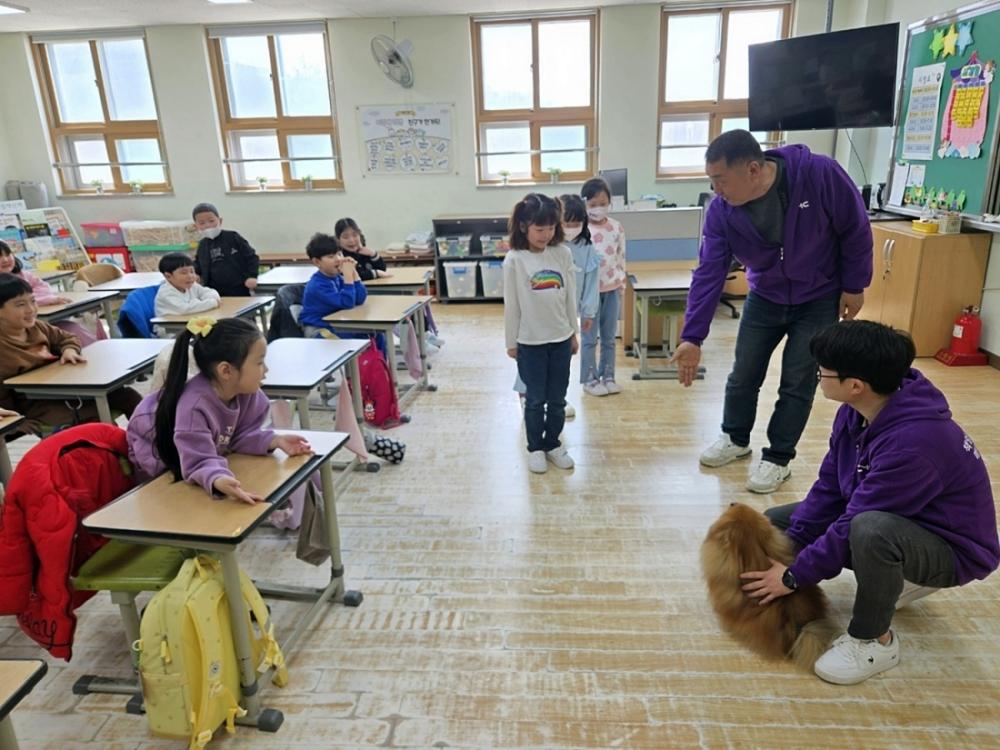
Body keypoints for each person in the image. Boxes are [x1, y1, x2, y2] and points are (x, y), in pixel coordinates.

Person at [740, 321, 998, 685]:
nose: (818, 375)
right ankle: (888, 585)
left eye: (823, 371)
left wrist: (794, 575)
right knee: (779, 522)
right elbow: (830, 487)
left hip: (951, 550)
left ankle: (873, 639)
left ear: (855, 385)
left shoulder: (915, 444)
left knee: (870, 531)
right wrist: (790, 554)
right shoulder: (857, 410)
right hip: (901, 522)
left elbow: (854, 521)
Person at [671, 129, 873, 493]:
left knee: (798, 380)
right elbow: (709, 271)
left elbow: (855, 229)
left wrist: (854, 285)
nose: (716, 189)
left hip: (819, 296)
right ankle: (735, 437)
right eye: (711, 180)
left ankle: (778, 458)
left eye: (720, 179)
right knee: (743, 373)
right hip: (765, 295)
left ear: (752, 170)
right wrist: (692, 335)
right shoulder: (722, 212)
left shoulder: (819, 175)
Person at [127, 317, 311, 504]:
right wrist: (216, 478)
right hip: (157, 455)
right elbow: (197, 458)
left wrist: (274, 440)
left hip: (197, 452)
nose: (266, 370)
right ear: (226, 371)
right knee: (181, 504)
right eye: (259, 363)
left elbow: (240, 436)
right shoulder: (194, 407)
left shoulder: (246, 392)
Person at [0, 273, 140, 434]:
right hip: (36, 405)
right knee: (95, 421)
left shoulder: (37, 327)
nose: (31, 309)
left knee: (129, 396)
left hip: (66, 390)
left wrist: (69, 350)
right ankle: (115, 454)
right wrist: (16, 423)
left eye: (33, 301)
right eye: (20, 305)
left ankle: (158, 444)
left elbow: (66, 338)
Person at [503, 193, 578, 475]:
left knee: (558, 398)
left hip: (560, 339)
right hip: (530, 342)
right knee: (534, 399)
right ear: (523, 226)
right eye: (539, 228)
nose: (546, 234)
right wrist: (511, 342)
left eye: (550, 228)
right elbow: (512, 305)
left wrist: (573, 332)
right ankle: (535, 448)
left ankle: (552, 444)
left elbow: (570, 297)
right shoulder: (515, 259)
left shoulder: (562, 253)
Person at [512, 194, 600, 419]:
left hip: (563, 313)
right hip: (534, 319)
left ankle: (555, 399)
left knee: (557, 367)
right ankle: (527, 396)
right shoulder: (536, 252)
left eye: (576, 224)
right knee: (532, 361)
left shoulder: (575, 250)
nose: (570, 229)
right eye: (566, 224)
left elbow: (587, 283)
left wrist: (586, 313)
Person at [0, 240, 103, 345]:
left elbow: (43, 287)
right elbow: (21, 299)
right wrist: (44, 300)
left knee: (74, 328)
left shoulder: (23, 275)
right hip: (15, 330)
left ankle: (96, 351)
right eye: (0, 256)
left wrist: (43, 299)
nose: (5, 259)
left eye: (8, 254)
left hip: (35, 323)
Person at [581, 177, 626, 396]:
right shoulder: (580, 229)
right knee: (590, 339)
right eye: (592, 204)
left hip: (612, 289)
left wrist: (622, 284)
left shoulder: (616, 227)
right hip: (589, 294)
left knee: (609, 338)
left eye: (602, 202)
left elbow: (621, 257)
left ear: (609, 202)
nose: (598, 208)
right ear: (585, 204)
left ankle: (608, 376)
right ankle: (590, 380)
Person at [192, 202, 260, 297]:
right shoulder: (202, 245)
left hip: (240, 287)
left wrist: (252, 276)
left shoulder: (233, 237)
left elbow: (252, 257)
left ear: (220, 220)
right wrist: (195, 275)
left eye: (211, 221)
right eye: (202, 223)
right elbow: (198, 264)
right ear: (196, 226)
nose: (207, 225)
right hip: (214, 291)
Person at [154, 252, 221, 317]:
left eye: (192, 271)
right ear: (168, 276)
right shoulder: (166, 293)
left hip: (190, 322)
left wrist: (211, 299)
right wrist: (212, 303)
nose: (190, 276)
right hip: (170, 327)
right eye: (184, 272)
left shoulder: (191, 285)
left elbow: (209, 292)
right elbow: (185, 309)